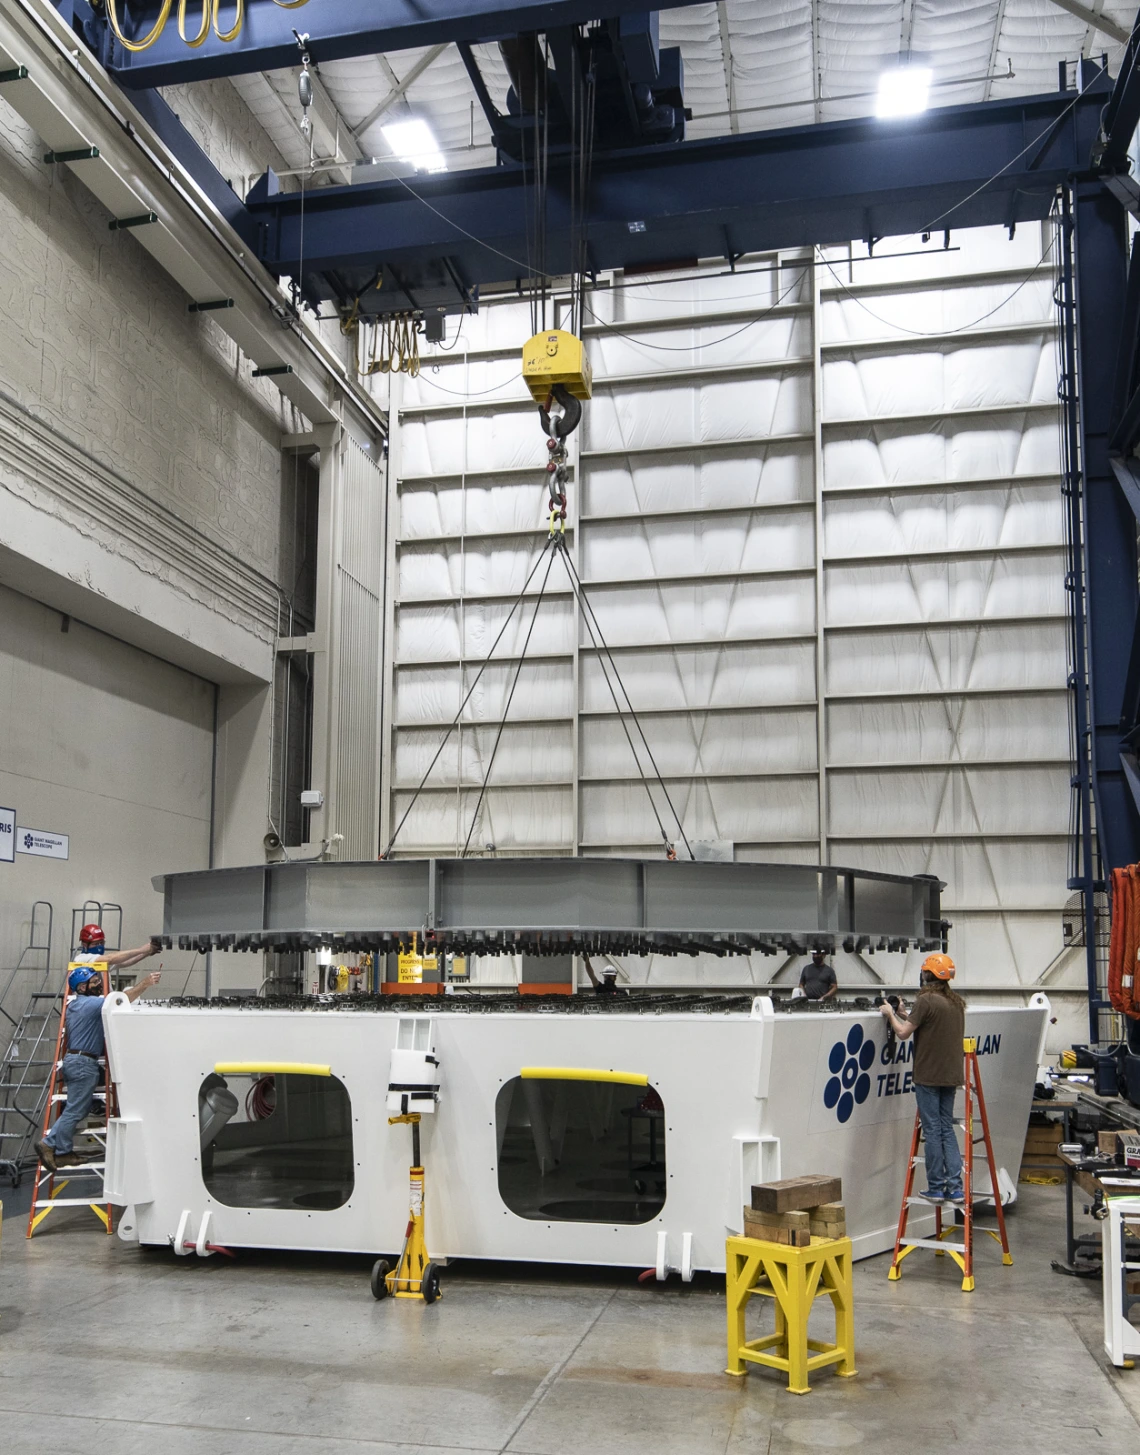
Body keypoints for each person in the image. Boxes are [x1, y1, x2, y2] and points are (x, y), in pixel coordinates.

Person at [34, 924, 162, 1172]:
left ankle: (62, 1150)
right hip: (83, 1063)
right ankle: (50, 1144)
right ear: (82, 986)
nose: (97, 983)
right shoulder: (88, 987)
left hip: (79, 1061)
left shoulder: (80, 1003)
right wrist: (145, 980)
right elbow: (119, 985)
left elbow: (121, 963)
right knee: (75, 1110)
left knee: (77, 1107)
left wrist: (146, 954)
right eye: (93, 982)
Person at [878, 952, 966, 1204]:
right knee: (946, 1129)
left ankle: (936, 1187)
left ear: (928, 975)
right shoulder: (956, 1003)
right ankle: (955, 1188)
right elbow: (929, 1025)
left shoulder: (926, 999)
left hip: (928, 1076)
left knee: (933, 1130)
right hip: (950, 1075)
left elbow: (904, 1034)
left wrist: (889, 1013)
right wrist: (906, 1013)